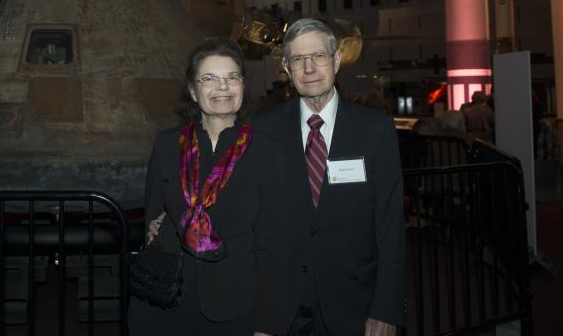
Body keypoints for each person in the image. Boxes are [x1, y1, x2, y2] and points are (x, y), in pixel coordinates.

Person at [254, 18, 406, 335]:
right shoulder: (262, 129)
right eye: (298, 59)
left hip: (354, 303)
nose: (309, 68)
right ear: (285, 66)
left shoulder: (375, 130)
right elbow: (248, 209)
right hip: (281, 306)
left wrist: (387, 309)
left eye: (319, 56)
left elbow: (391, 225)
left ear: (336, 60)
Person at [128, 38, 288, 336]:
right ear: (192, 90)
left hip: (234, 306)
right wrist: (156, 226)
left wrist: (268, 325)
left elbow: (274, 247)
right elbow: (152, 217)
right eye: (209, 78)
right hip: (163, 300)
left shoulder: (267, 151)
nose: (222, 87)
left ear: (243, 86)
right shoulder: (166, 145)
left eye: (232, 77)